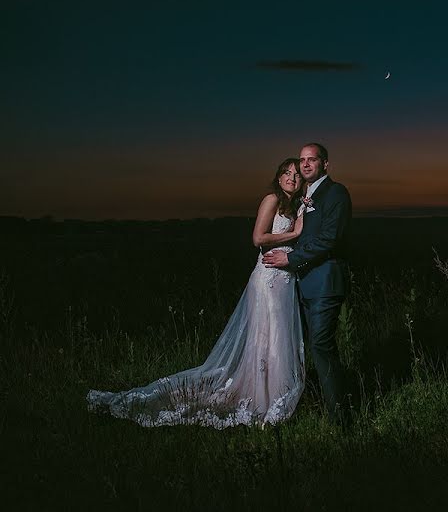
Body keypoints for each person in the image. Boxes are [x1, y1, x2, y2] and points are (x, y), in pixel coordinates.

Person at [87, 159, 308, 428]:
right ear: (279, 176)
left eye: (296, 175)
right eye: (287, 173)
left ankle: (275, 391)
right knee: (265, 337)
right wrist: (294, 233)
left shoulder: (296, 205)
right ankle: (261, 395)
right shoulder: (271, 199)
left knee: (279, 335)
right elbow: (258, 238)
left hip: (286, 279)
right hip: (269, 279)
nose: (292, 178)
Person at [263, 143, 352, 425]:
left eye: (312, 159)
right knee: (299, 346)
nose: (305, 164)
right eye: (302, 160)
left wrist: (291, 260)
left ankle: (341, 418)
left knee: (321, 346)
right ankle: (297, 402)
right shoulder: (304, 197)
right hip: (300, 285)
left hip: (325, 281)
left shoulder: (335, 193)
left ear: (325, 164)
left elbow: (329, 239)